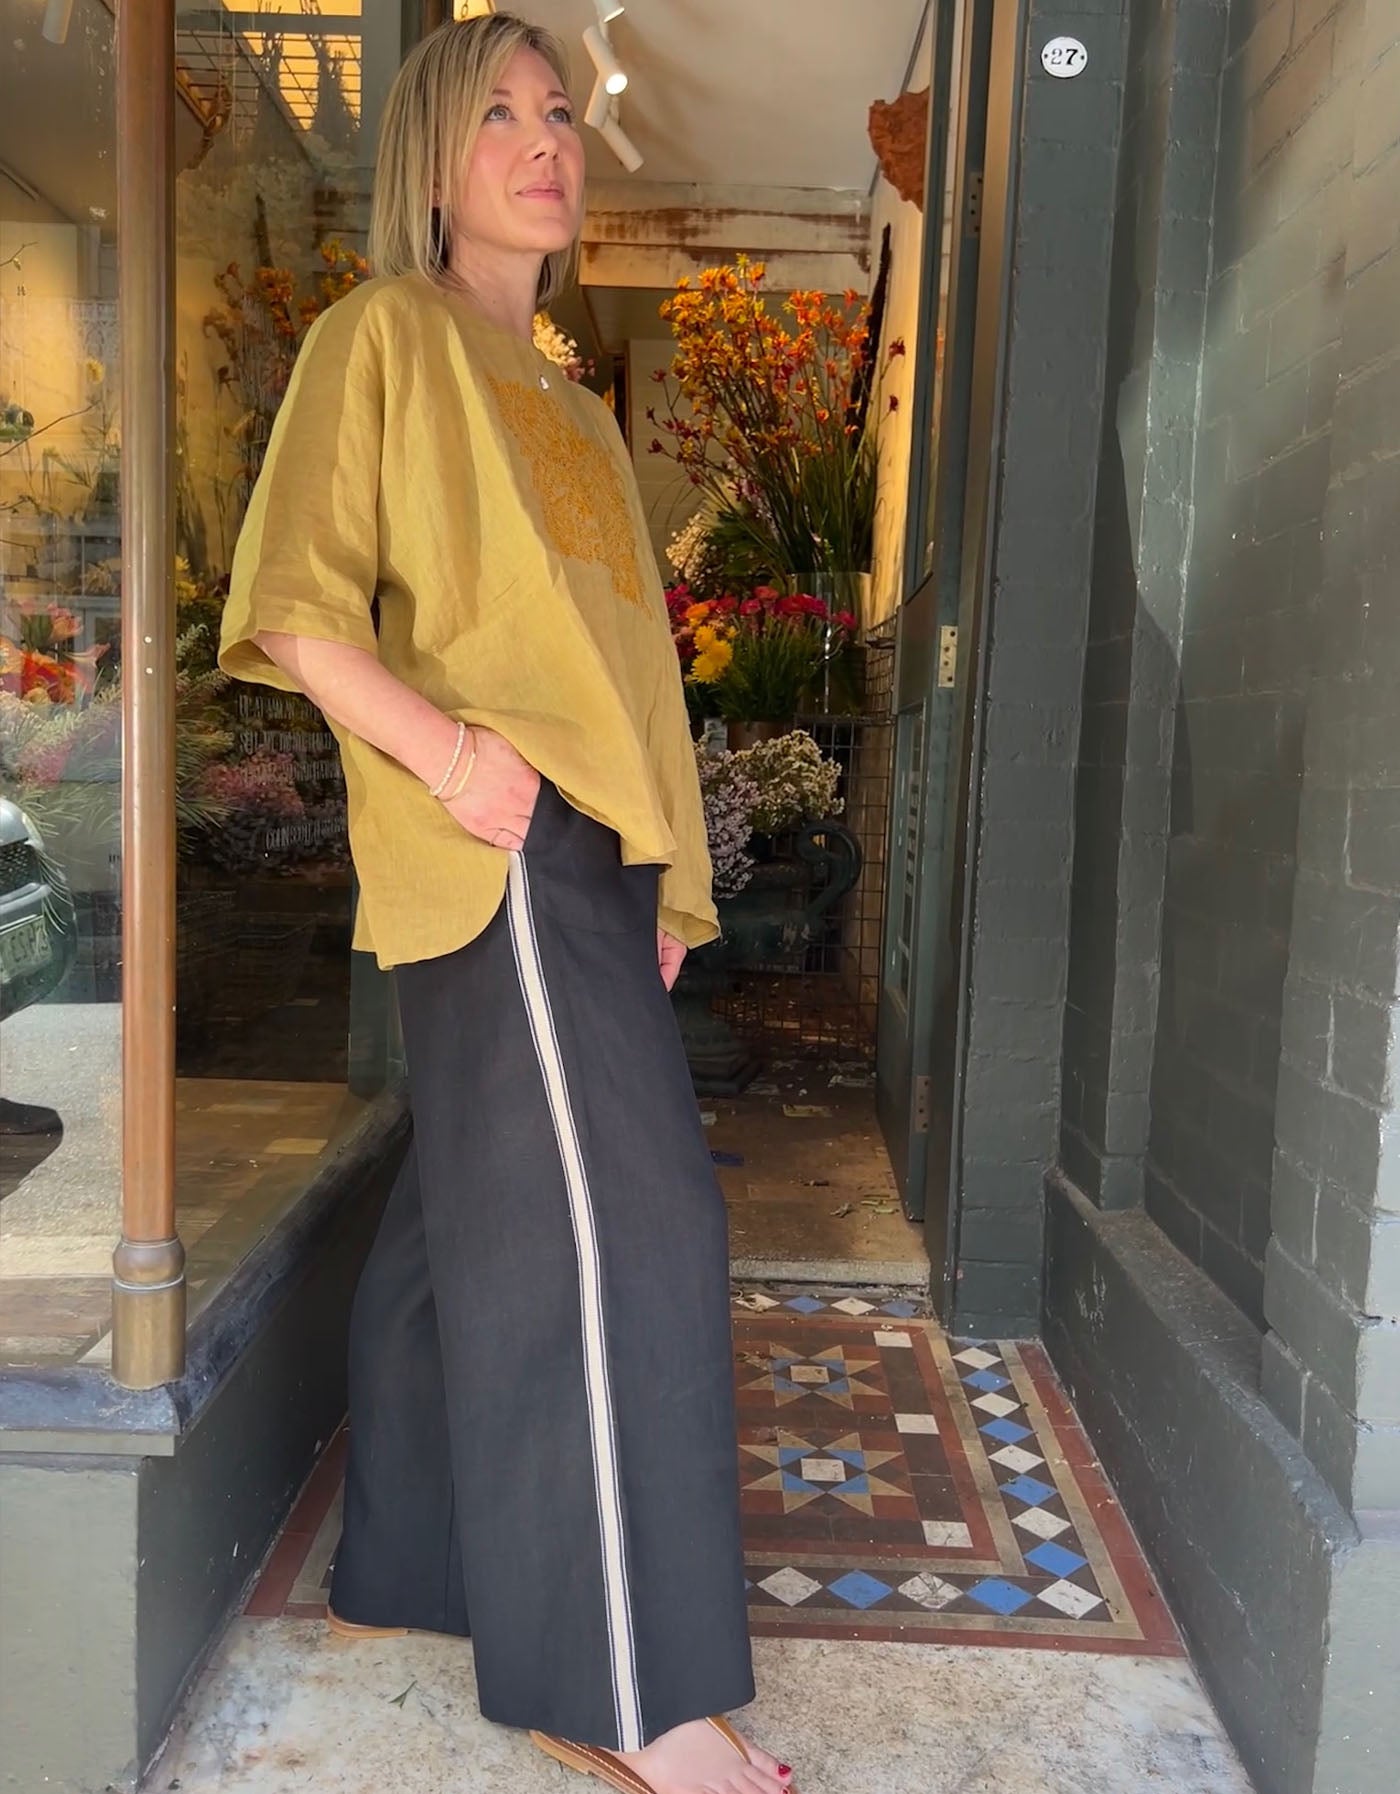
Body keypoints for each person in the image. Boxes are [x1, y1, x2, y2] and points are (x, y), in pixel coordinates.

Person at [218, 14, 797, 1794]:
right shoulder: (381, 337)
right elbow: (293, 605)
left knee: (463, 1220)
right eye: (501, 116)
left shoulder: (572, 402)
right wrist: (460, 762)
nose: (547, 140)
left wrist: (673, 874)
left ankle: (409, 1561)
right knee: (624, 1235)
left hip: (594, 856)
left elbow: (634, 677)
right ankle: (616, 1677)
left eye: (562, 111)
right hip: (496, 835)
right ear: (432, 159)